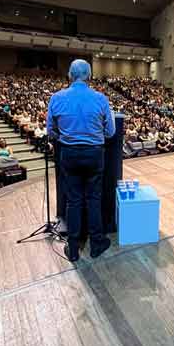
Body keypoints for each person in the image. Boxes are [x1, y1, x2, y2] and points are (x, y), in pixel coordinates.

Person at [47, 59, 115, 262]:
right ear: (89, 75)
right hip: (94, 154)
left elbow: (51, 132)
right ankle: (96, 244)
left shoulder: (56, 98)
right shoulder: (101, 99)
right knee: (94, 199)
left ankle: (74, 248)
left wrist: (67, 137)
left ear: (70, 75)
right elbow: (110, 132)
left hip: (69, 154)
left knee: (74, 201)